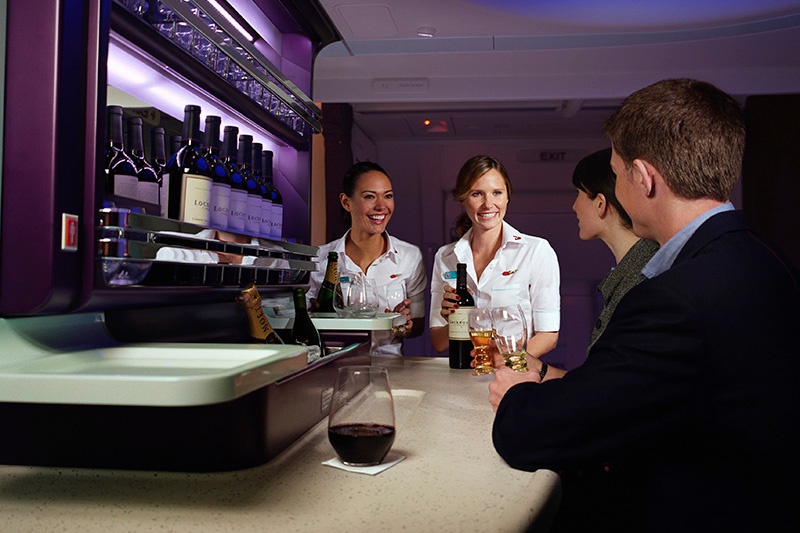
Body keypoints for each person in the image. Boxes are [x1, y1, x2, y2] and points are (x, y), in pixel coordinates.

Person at [489, 79, 800, 532]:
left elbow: (536, 433)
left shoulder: (676, 298)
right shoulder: (766, 257)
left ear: (643, 177)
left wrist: (517, 392)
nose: (615, 187)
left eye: (616, 174)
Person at [429, 155, 560, 359]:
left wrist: (506, 361)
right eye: (477, 194)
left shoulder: (536, 251)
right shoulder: (445, 257)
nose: (488, 204)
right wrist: (456, 319)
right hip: (463, 374)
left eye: (497, 193)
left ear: (507, 196)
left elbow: (548, 336)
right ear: (463, 200)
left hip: (514, 376)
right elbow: (438, 342)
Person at [308, 161, 426, 356]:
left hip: (390, 368)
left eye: (388, 196)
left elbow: (419, 325)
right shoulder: (320, 259)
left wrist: (405, 323)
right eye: (370, 197)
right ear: (346, 202)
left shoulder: (409, 256)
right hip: (335, 367)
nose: (381, 206)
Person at [572, 148, 659, 355]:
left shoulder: (640, 280)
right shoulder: (638, 267)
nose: (574, 206)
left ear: (600, 204)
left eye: (578, 194)